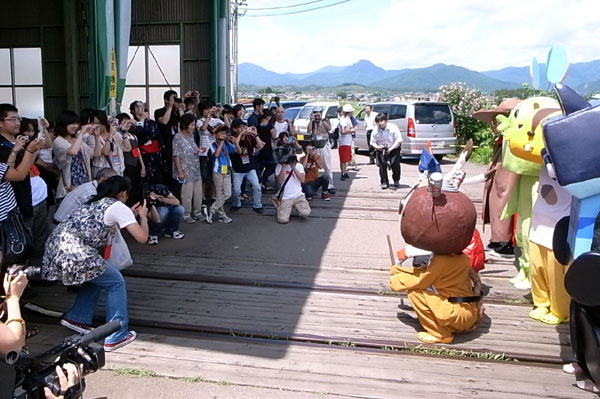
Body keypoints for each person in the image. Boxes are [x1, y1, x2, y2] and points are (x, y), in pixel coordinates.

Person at [42, 176, 149, 352]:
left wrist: (129, 214)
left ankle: (77, 318)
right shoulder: (117, 207)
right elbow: (142, 238)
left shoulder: (93, 202)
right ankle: (117, 335)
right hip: (75, 252)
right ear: (123, 193)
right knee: (116, 282)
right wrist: (143, 218)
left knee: (98, 276)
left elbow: (106, 221)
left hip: (56, 248)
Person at [52, 111, 95, 203]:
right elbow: (73, 151)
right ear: (63, 124)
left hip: (83, 180)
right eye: (71, 123)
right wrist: (81, 134)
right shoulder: (58, 141)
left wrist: (96, 136)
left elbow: (93, 153)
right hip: (70, 184)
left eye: (76, 123)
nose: (75, 126)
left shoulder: (75, 139)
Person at [53, 167, 117, 223]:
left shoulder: (89, 186)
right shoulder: (91, 193)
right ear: (102, 179)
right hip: (61, 226)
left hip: (63, 224)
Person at [173, 113, 204, 223]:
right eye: (191, 125)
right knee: (187, 193)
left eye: (194, 125)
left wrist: (199, 151)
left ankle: (197, 212)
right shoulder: (178, 137)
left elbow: (192, 150)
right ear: (185, 125)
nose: (193, 127)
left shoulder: (191, 136)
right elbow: (176, 155)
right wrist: (180, 171)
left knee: (198, 192)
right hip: (185, 169)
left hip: (195, 168)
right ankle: (186, 214)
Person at [229, 119, 264, 213]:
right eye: (240, 128)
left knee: (257, 186)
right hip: (237, 169)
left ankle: (258, 205)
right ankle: (236, 204)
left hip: (250, 167)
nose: (243, 129)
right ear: (235, 129)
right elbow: (237, 149)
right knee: (236, 190)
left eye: (244, 127)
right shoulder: (232, 138)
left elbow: (260, 146)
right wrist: (241, 135)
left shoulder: (249, 138)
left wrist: (255, 134)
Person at [155, 90, 185, 199]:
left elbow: (185, 123)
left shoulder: (177, 113)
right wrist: (169, 107)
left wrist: (180, 109)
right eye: (172, 99)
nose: (174, 101)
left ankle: (179, 197)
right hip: (166, 147)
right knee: (168, 173)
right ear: (166, 100)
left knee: (179, 172)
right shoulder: (159, 111)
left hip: (178, 147)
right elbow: (164, 121)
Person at [130, 101, 162, 185]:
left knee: (156, 177)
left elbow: (155, 134)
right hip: (141, 154)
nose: (141, 108)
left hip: (154, 153)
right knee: (143, 178)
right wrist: (142, 120)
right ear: (133, 110)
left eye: (142, 106)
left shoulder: (151, 122)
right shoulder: (132, 122)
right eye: (137, 107)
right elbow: (137, 134)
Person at [117, 113, 145, 205]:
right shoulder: (118, 135)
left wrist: (142, 165)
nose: (128, 125)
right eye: (125, 122)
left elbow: (137, 151)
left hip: (136, 164)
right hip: (127, 164)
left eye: (129, 123)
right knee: (129, 187)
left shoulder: (133, 136)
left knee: (138, 187)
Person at [274, 153, 311, 224]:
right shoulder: (279, 166)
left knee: (305, 213)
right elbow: (280, 181)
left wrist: (294, 168)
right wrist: (284, 167)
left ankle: (299, 206)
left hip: (298, 196)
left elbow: (302, 180)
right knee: (282, 220)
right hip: (286, 197)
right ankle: (282, 208)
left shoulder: (299, 165)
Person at [87, 110, 125, 177]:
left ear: (104, 122)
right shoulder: (92, 137)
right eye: (94, 123)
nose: (97, 126)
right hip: (101, 170)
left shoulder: (116, 134)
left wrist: (124, 133)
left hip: (117, 168)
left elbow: (127, 148)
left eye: (99, 123)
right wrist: (110, 136)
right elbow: (105, 152)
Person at [307, 106, 335, 194]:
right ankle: (316, 185)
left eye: (318, 112)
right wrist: (311, 120)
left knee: (327, 166)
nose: (317, 114)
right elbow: (308, 130)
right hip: (315, 146)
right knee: (315, 166)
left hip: (324, 145)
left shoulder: (325, 120)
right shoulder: (312, 121)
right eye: (315, 112)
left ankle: (330, 185)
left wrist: (322, 119)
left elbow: (329, 128)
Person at [210, 125, 235, 223]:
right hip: (218, 171)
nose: (224, 135)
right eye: (221, 133)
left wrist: (234, 141)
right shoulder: (213, 145)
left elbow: (237, 150)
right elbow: (215, 155)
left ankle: (212, 209)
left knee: (228, 193)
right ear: (216, 135)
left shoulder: (227, 144)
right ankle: (222, 215)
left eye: (224, 133)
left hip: (227, 170)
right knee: (219, 195)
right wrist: (220, 143)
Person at [370, 113, 402, 189]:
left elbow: (398, 140)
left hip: (394, 147)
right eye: (377, 122)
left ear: (386, 121)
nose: (380, 123)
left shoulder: (393, 127)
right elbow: (372, 142)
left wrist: (391, 149)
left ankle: (396, 179)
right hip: (381, 149)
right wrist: (377, 147)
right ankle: (384, 182)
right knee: (382, 165)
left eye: (381, 121)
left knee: (395, 164)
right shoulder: (375, 130)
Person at [338, 104, 356, 181]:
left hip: (347, 141)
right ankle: (342, 173)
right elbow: (343, 131)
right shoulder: (344, 119)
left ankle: (344, 172)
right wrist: (351, 130)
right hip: (344, 141)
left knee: (346, 159)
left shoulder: (348, 118)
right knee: (343, 159)